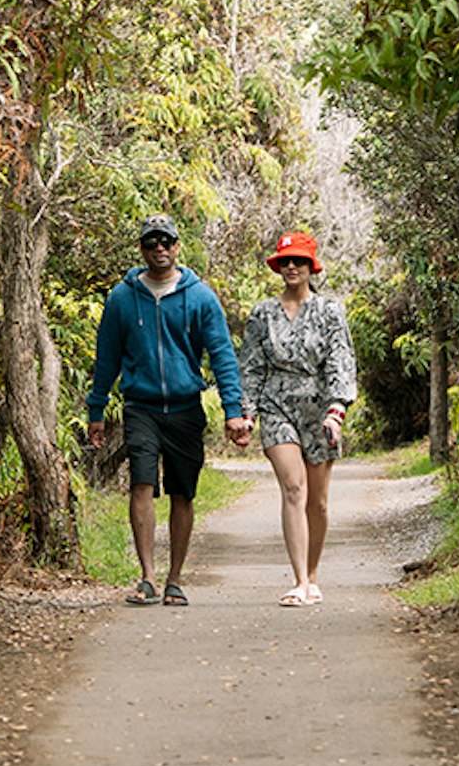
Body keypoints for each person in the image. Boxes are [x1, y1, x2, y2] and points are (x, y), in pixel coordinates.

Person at [82, 218, 249, 605]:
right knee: (141, 483)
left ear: (177, 246)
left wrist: (233, 410)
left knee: (182, 493)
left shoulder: (201, 297)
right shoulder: (122, 298)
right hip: (140, 406)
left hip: (186, 408)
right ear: (142, 249)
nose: (160, 248)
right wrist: (97, 409)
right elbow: (106, 357)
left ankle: (174, 579)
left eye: (167, 241)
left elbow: (222, 356)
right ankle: (147, 578)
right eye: (151, 242)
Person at [240, 226, 362, 604]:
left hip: (320, 407)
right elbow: (251, 366)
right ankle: (298, 582)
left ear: (311, 266)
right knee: (293, 488)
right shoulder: (262, 313)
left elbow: (341, 360)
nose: (291, 267)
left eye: (299, 261)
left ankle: (312, 572)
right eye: (285, 261)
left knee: (317, 501)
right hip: (277, 404)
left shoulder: (329, 311)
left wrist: (337, 409)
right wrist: (246, 413)